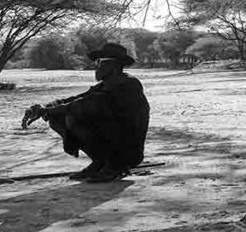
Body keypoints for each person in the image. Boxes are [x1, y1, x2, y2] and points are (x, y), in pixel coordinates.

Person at [21, 42, 150, 182]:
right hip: (114, 140)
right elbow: (76, 99)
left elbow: (83, 104)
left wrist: (47, 110)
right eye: (97, 62)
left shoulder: (127, 84)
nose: (97, 66)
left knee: (73, 114)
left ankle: (115, 166)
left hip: (128, 150)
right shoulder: (106, 84)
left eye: (100, 62)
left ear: (115, 65)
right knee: (57, 116)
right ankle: (100, 162)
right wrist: (42, 108)